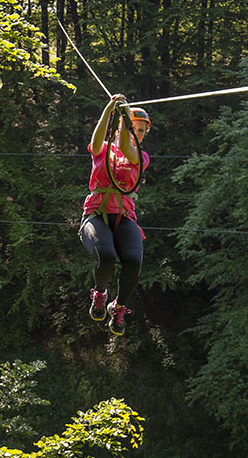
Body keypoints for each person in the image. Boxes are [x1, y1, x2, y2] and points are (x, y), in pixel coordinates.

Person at [79, 94, 151, 336]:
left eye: (141, 131)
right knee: (107, 256)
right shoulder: (103, 151)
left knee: (134, 262)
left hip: (123, 216)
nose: (138, 134)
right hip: (96, 215)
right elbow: (96, 141)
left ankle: (118, 306)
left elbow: (124, 147)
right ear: (124, 127)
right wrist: (110, 110)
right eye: (134, 129)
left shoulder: (141, 157)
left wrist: (124, 116)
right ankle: (100, 294)